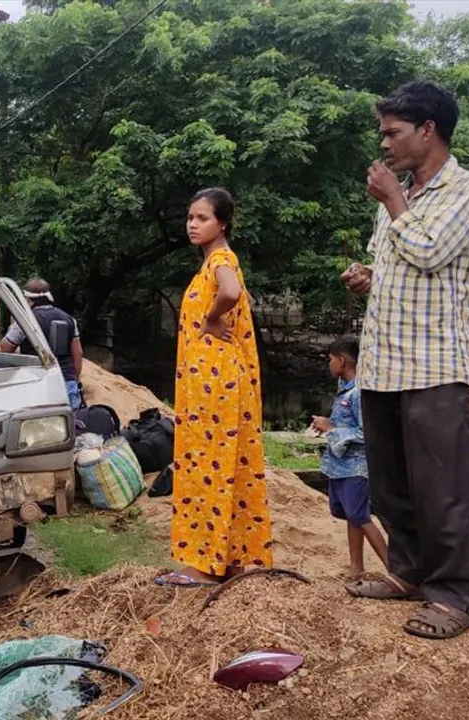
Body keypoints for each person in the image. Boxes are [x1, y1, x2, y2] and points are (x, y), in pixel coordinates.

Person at [340, 80, 469, 639]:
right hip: (385, 365)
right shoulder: (399, 197)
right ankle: (407, 571)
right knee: (393, 481)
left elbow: (430, 251)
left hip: (437, 366)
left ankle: (456, 597)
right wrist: (368, 279)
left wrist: (394, 201)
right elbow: (403, 264)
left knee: (443, 487)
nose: (384, 144)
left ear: (428, 130)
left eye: (393, 133)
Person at [155, 188, 271, 588]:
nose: (192, 224)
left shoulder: (221, 259)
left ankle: (204, 564)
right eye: (190, 217)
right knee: (229, 465)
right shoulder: (216, 262)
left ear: (222, 224)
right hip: (216, 379)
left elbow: (231, 293)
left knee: (208, 466)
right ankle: (235, 558)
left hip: (214, 382)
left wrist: (210, 318)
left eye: (202, 218)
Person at [311, 336, 389, 578]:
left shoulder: (358, 394)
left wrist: (332, 430)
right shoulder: (343, 391)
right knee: (351, 514)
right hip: (340, 466)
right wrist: (328, 425)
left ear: (342, 361)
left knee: (360, 515)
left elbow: (369, 433)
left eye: (331, 359)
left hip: (356, 467)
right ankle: (356, 567)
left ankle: (394, 569)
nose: (329, 364)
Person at [0, 278, 84, 408]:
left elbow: (5, 348)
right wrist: (73, 379)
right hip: (66, 380)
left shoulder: (26, 320)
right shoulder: (69, 319)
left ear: (28, 299)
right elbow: (78, 354)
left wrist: (12, 327)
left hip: (36, 383)